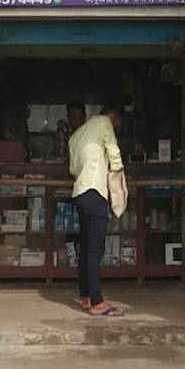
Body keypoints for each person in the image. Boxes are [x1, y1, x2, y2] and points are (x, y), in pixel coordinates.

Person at [68, 104, 124, 317]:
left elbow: (73, 169)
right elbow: (114, 151)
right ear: (115, 118)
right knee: (95, 250)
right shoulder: (103, 122)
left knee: (85, 248)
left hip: (80, 194)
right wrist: (118, 175)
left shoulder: (75, 136)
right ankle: (97, 302)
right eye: (117, 124)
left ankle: (85, 297)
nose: (115, 127)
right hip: (94, 192)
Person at [55, 99, 87, 165]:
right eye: (74, 118)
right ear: (68, 117)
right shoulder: (63, 130)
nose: (77, 121)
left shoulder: (90, 130)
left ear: (85, 117)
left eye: (80, 117)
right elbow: (61, 155)